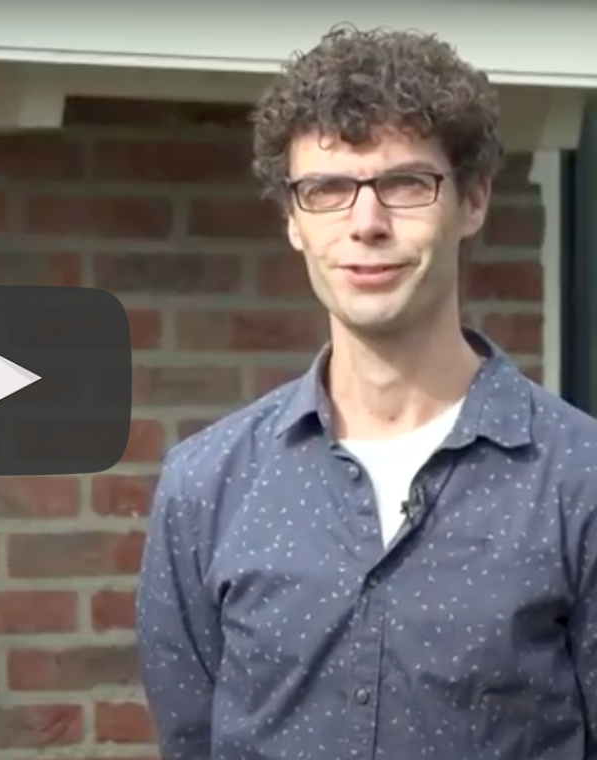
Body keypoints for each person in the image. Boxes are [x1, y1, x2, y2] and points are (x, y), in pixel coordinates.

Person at [136, 24, 597, 760]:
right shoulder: (206, 485)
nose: (366, 223)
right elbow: (191, 740)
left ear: (473, 201)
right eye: (327, 189)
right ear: (294, 221)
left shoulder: (580, 478)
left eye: (405, 184)